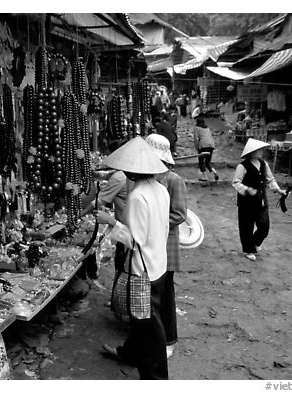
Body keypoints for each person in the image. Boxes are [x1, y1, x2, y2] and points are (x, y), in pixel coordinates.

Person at [95, 136, 170, 380]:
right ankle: (131, 355)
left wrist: (111, 222)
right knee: (146, 324)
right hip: (158, 264)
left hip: (142, 271)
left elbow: (135, 240)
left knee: (147, 327)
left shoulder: (138, 196)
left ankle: (154, 377)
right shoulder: (160, 190)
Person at [145, 134, 187, 359]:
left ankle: (169, 338)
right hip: (150, 245)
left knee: (166, 294)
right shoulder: (147, 177)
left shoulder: (173, 180)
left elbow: (180, 214)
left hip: (167, 245)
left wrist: (156, 222)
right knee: (152, 294)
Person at [80, 140, 128, 287]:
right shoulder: (122, 172)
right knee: (122, 260)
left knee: (122, 261)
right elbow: (105, 175)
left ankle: (119, 296)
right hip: (124, 222)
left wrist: (80, 214)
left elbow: (98, 202)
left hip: (124, 224)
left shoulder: (119, 178)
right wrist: (93, 173)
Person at [232, 138, 287, 261]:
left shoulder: (264, 164)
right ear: (252, 152)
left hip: (261, 200)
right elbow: (236, 182)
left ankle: (255, 243)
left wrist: (278, 190)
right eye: (258, 150)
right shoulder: (242, 166)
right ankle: (248, 250)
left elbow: (270, 179)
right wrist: (246, 189)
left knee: (264, 225)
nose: (261, 152)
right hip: (246, 202)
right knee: (246, 226)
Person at [193, 116, 219, 181]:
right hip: (211, 145)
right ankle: (214, 172)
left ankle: (205, 177)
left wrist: (196, 147)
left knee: (201, 161)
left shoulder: (196, 128)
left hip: (203, 145)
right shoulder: (207, 128)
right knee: (208, 161)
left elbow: (196, 139)